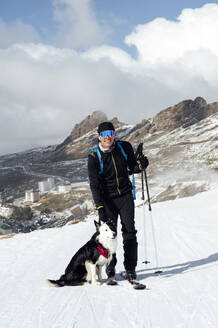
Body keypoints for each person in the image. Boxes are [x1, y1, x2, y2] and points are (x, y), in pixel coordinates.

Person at [88, 121, 149, 281]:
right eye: (103, 134)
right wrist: (100, 207)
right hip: (107, 201)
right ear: (99, 137)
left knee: (129, 232)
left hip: (125, 196)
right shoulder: (94, 156)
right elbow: (94, 185)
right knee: (109, 236)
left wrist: (141, 165)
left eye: (110, 133)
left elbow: (132, 167)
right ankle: (110, 267)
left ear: (114, 134)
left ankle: (130, 269)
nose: (107, 137)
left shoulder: (124, 147)